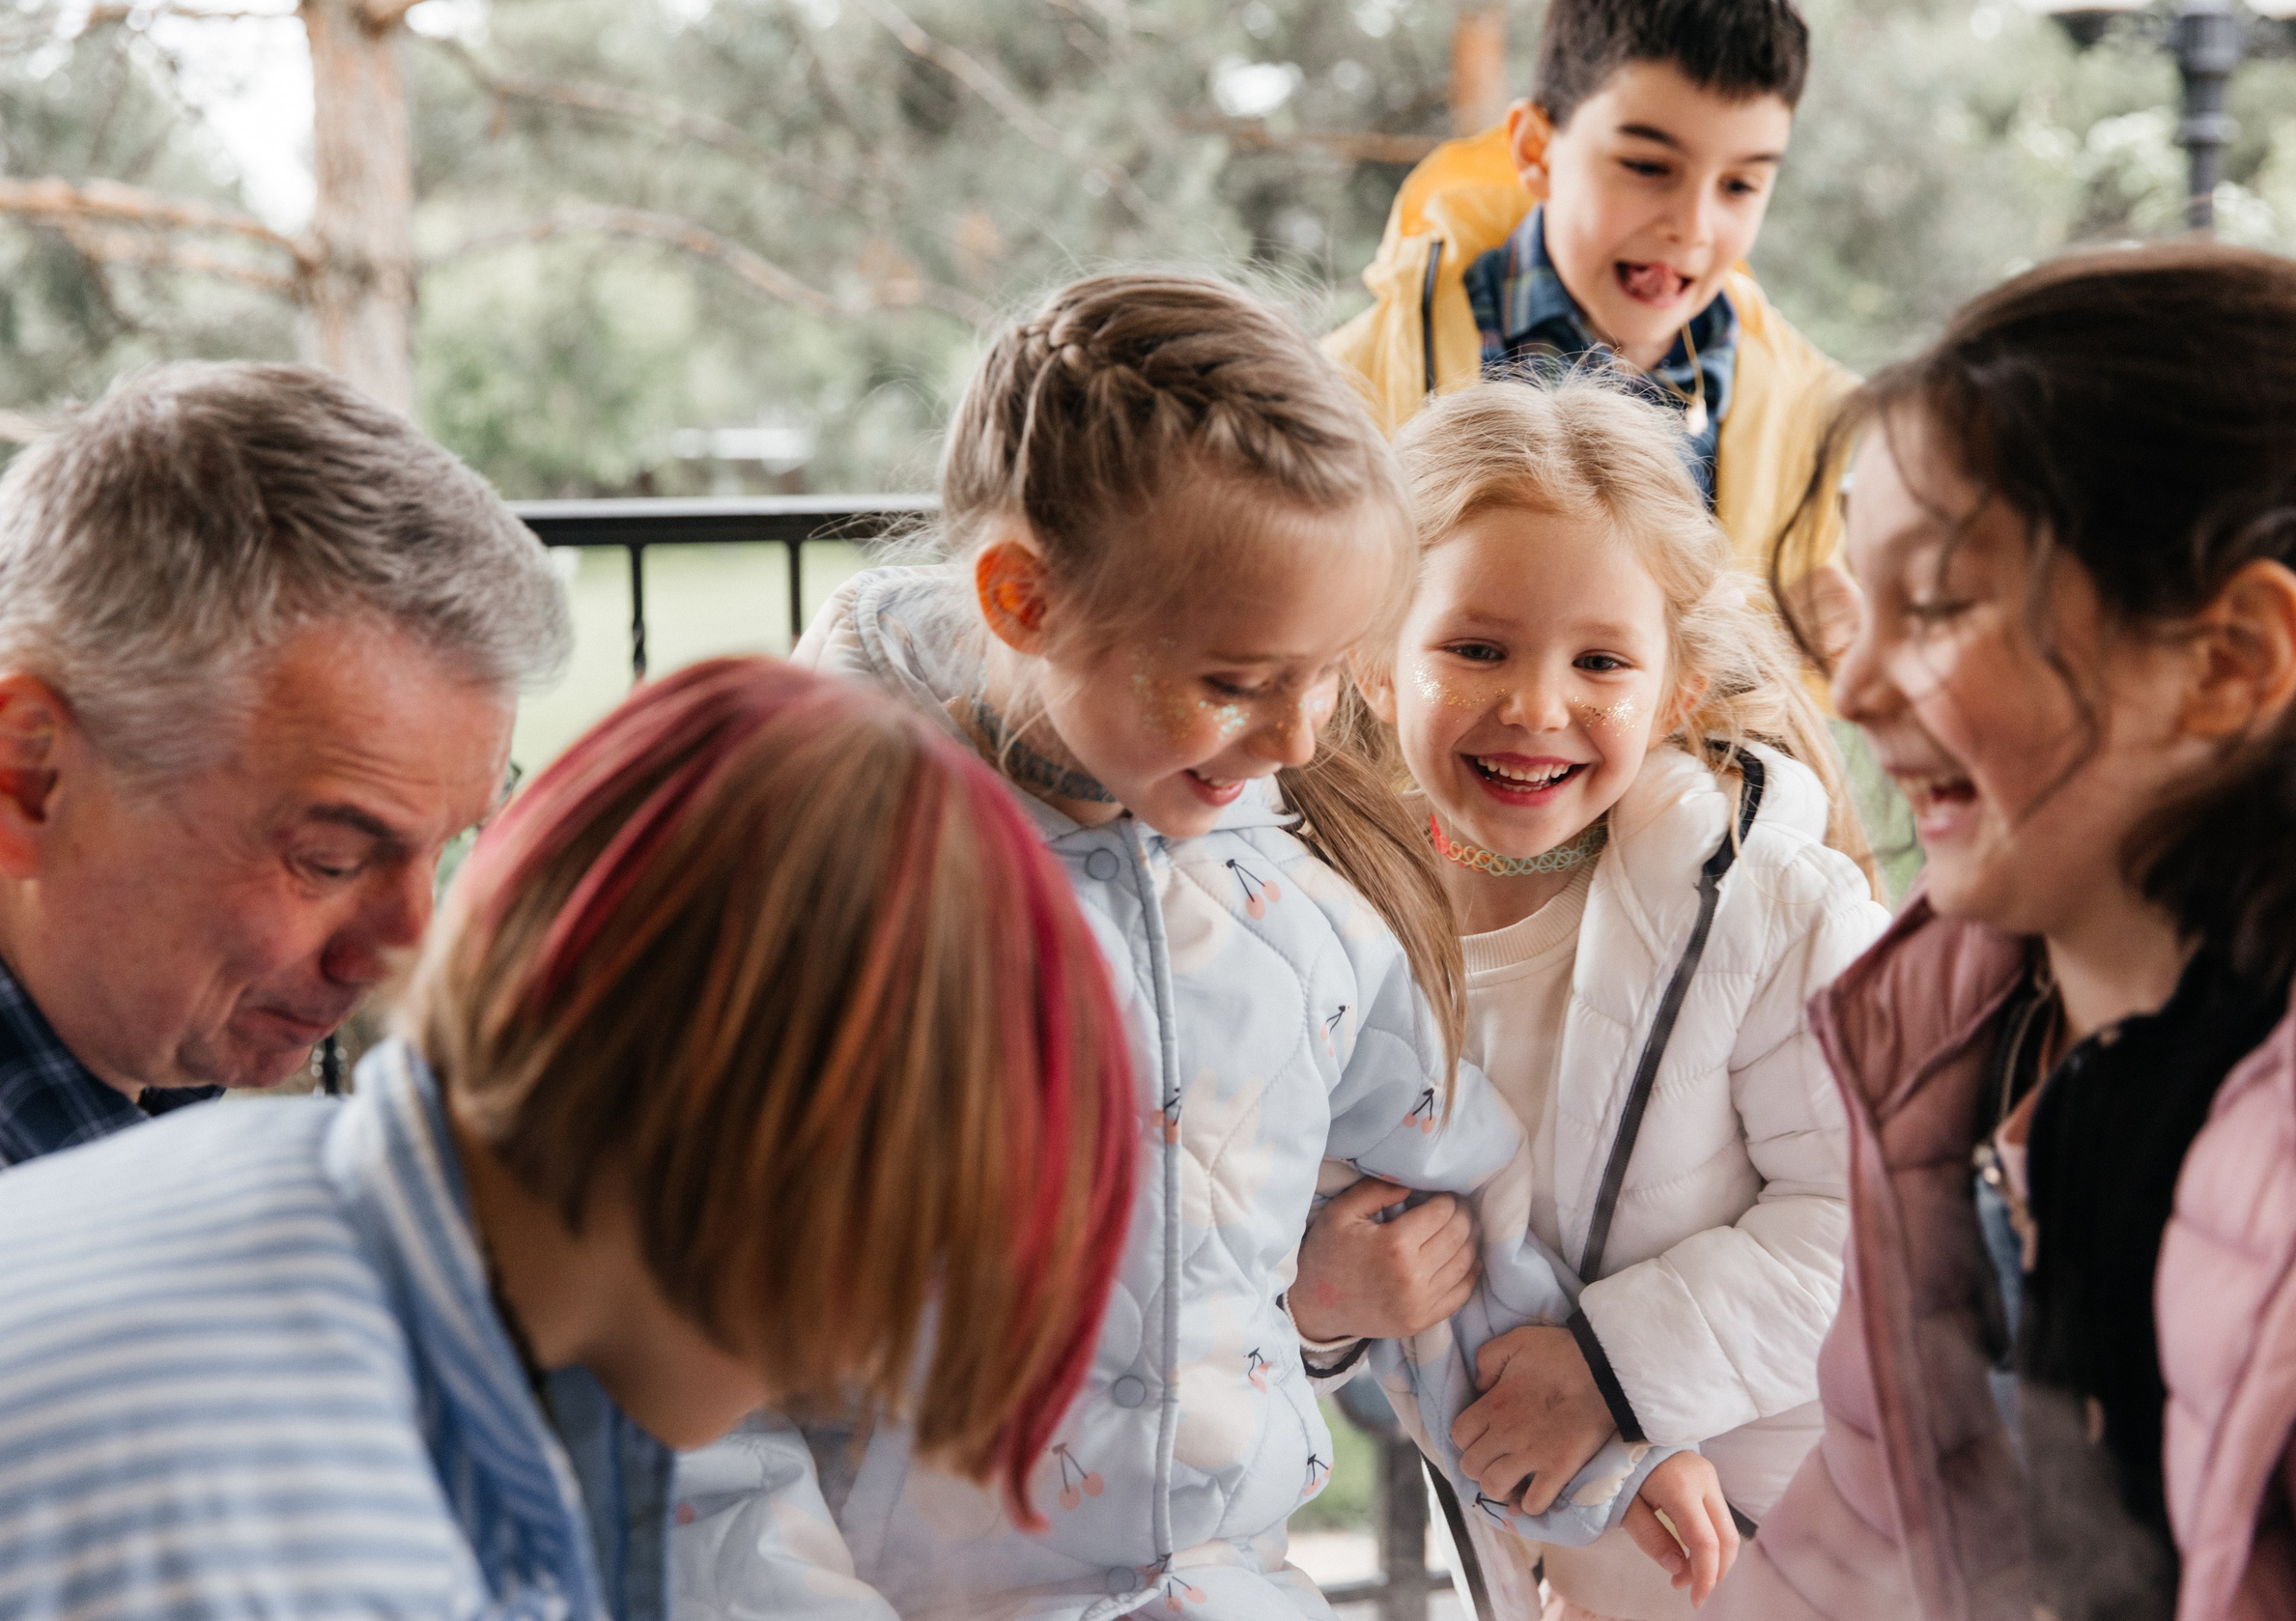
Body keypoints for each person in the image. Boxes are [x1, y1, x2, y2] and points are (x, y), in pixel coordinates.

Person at [673, 271, 1692, 1621]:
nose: (1300, 740)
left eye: (1327, 672)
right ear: (1024, 600)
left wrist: (1607, 1449)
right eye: (1235, 680)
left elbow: (1449, 1207)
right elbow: (678, 1391)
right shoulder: (798, 906)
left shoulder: (1301, 901)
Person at [0, 656, 1144, 1621]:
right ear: (785, 1146)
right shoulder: (322, 1530)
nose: (871, 1355)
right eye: (915, 1255)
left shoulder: (295, 1234)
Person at [1707, 242, 2296, 1621]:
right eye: (1853, 607)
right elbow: (1865, 1540)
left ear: (2231, 658)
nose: (1857, 685)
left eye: (1936, 605)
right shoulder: (1974, 1042)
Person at [1320, 377, 1884, 1618]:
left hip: (1814, 1543)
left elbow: (1879, 1222)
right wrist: (1321, 1306)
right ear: (1371, 661)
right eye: (1475, 647)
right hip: (1570, 1561)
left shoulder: (1773, 907)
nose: (1535, 706)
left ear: (1674, 688)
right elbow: (1259, 1231)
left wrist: (1614, 1378)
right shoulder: (1328, 934)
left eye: (1601, 661)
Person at [0, 361, 569, 1167]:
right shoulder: (53, 1256)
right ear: (30, 778)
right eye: (329, 860)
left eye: (449, 844)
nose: (404, 948)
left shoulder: (129, 1082)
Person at [1323, 0, 1852, 591]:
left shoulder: (1807, 422)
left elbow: (1802, 674)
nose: (1693, 227)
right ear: (1536, 151)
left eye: (1739, 185)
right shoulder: (1346, 392)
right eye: (1647, 167)